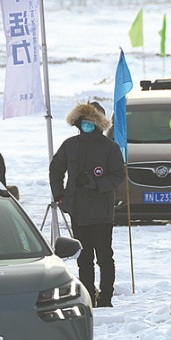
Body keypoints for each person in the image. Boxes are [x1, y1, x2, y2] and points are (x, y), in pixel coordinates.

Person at [49, 101, 124, 307]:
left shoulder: (110, 148)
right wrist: (60, 196)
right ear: (79, 122)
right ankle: (89, 296)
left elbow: (118, 175)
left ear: (100, 124)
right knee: (84, 258)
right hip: (78, 211)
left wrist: (96, 184)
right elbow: (56, 169)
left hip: (102, 212)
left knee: (104, 257)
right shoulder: (70, 145)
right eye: (84, 122)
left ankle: (106, 297)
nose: (87, 126)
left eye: (92, 122)